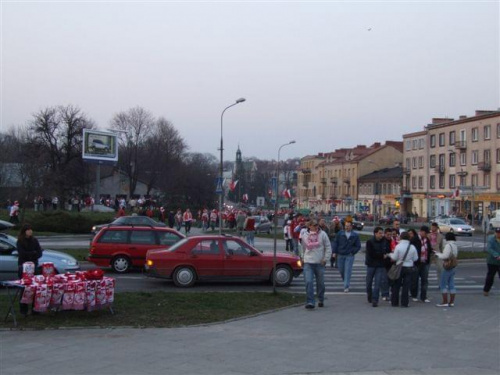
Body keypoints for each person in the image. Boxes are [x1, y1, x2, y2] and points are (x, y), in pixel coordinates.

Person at [301, 220, 332, 309]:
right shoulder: (305, 235)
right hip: (308, 263)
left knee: (320, 283)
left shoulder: (323, 234)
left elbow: (328, 247)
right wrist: (302, 258)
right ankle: (310, 301)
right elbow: (302, 248)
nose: (316, 227)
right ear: (309, 226)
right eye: (314, 225)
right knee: (309, 282)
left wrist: (325, 259)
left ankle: (321, 299)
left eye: (317, 225)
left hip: (319, 262)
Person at [16, 224, 43, 316]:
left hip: (34, 265)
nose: (30, 231)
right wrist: (32, 253)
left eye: (31, 229)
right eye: (28, 230)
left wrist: (33, 254)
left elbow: (39, 252)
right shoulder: (20, 241)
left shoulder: (34, 241)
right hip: (23, 267)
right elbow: (22, 253)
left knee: (36, 287)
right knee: (24, 288)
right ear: (24, 232)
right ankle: (23, 310)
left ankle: (35, 309)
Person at [389, 231, 418, 308]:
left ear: (401, 237)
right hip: (409, 267)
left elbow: (394, 258)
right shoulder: (412, 247)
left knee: (396, 285)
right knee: (406, 286)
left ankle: (394, 302)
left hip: (399, 267)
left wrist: (390, 255)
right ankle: (404, 303)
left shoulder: (398, 246)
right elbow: (416, 258)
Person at [332, 220, 361, 293]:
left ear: (351, 226)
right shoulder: (340, 234)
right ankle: (345, 281)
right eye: (346, 226)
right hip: (340, 254)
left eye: (348, 226)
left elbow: (358, 246)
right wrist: (334, 252)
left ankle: (346, 286)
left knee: (348, 270)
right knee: (341, 270)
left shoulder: (355, 235)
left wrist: (353, 251)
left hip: (349, 255)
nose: (347, 227)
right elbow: (335, 243)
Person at [365, 226, 391, 307]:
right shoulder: (370, 241)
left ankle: (375, 300)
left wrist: (386, 255)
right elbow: (371, 254)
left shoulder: (384, 241)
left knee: (377, 283)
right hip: (371, 264)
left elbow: (387, 251)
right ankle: (370, 295)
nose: (381, 235)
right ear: (375, 233)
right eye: (380, 233)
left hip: (380, 265)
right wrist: (382, 256)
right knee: (368, 283)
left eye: (382, 233)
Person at [434, 232, 458, 307]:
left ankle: (445, 301)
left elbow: (445, 256)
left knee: (443, 284)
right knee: (451, 284)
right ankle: (451, 302)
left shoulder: (448, 245)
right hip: (453, 266)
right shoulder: (455, 245)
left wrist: (437, 254)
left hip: (447, 266)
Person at [411, 225, 433, 303]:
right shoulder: (415, 239)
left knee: (425, 280)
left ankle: (423, 296)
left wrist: (431, 251)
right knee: (415, 280)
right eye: (426, 233)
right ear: (421, 232)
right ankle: (414, 295)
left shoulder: (426, 239)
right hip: (417, 263)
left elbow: (429, 248)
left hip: (425, 262)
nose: (427, 234)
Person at [483, 227, 500, 296]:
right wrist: (496, 255)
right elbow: (489, 249)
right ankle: (486, 290)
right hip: (492, 261)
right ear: (495, 233)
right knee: (490, 276)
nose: (498, 234)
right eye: (497, 233)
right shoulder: (491, 239)